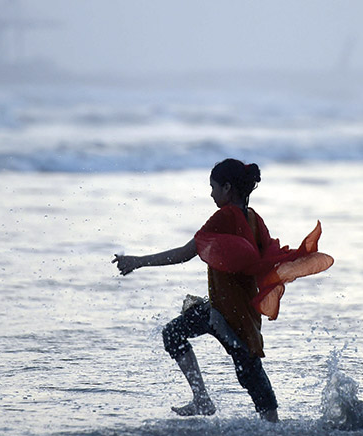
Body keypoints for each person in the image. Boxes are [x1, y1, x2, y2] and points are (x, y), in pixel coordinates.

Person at [112, 158, 333, 422]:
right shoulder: (254, 218)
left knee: (244, 364)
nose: (211, 193)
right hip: (230, 306)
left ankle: (266, 421)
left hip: (229, 312)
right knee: (194, 341)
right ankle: (220, 405)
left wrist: (138, 262)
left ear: (228, 188)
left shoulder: (224, 216)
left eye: (214, 187)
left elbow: (185, 253)